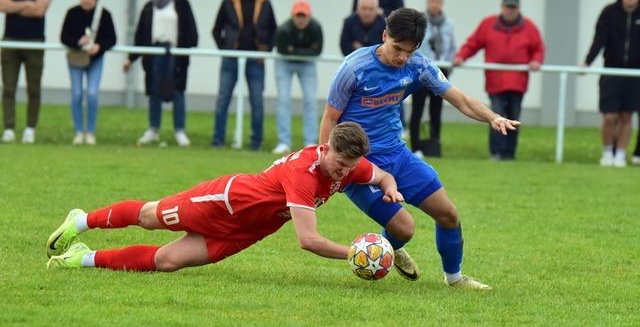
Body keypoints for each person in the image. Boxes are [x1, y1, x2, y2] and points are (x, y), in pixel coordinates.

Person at [320, 8, 521, 290]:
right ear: (384, 35)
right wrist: (327, 163)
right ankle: (390, 246)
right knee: (405, 228)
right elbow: (330, 117)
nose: (402, 57)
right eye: (397, 48)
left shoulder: (418, 66)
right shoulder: (355, 67)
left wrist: (493, 117)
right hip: (358, 163)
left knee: (448, 214)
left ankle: (454, 279)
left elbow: (459, 99)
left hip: (398, 156)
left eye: (409, 51)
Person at [46, 122, 404, 272]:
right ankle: (81, 220)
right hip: (224, 203)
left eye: (349, 166)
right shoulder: (303, 175)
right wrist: (357, 254)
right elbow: (307, 240)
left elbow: (381, 174)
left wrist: (389, 186)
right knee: (150, 217)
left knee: (167, 262)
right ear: (326, 149)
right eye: (340, 164)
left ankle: (82, 258)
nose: (344, 172)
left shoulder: (349, 165)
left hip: (247, 230)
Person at [453, 0, 545, 161]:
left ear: (518, 8)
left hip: (518, 83)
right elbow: (473, 43)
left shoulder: (529, 28)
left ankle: (509, 153)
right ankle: (496, 152)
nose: (510, 10)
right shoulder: (488, 24)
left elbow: (538, 48)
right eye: (507, 6)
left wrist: (536, 60)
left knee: (514, 116)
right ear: (502, 7)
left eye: (513, 7)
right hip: (495, 82)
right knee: (496, 115)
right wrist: (461, 56)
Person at [123, 0, 198, 147]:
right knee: (154, 91)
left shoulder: (180, 2)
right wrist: (131, 58)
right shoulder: (150, 6)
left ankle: (180, 130)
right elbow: (140, 34)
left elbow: (190, 28)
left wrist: (185, 49)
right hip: (154, 53)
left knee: (177, 91)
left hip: (175, 54)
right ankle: (153, 128)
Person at [212, 0, 277, 151]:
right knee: (223, 98)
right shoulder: (228, 1)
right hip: (231, 58)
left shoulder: (265, 2)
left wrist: (266, 50)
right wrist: (224, 49)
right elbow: (217, 28)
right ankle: (218, 139)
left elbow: (274, 30)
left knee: (257, 100)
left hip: (256, 60)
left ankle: (256, 142)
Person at [581, 0, 640, 167]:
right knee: (610, 116)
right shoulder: (609, 12)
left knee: (626, 116)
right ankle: (607, 152)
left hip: (635, 74)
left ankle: (621, 154)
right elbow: (599, 39)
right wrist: (587, 62)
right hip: (612, 71)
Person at [0, 0, 51, 144]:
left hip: (34, 42)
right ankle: (9, 128)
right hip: (10, 41)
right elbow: (2, 5)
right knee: (9, 87)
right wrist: (27, 4)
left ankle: (30, 128)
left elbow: (39, 11)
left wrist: (15, 6)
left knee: (34, 88)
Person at [60, 0, 116, 145]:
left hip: (95, 59)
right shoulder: (72, 13)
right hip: (76, 58)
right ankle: (78, 131)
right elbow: (64, 37)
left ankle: (90, 131)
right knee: (76, 94)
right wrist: (79, 42)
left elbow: (112, 38)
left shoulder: (104, 14)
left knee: (92, 93)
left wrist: (99, 47)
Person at [272, 0, 323, 155]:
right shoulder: (283, 29)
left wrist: (294, 49)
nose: (301, 19)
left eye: (304, 16)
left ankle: (310, 141)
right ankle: (284, 141)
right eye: (298, 16)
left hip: (307, 64)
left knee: (310, 100)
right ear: (293, 16)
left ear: (309, 16)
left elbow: (316, 51)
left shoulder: (315, 27)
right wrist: (303, 50)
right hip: (284, 63)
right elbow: (283, 50)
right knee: (283, 100)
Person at [410, 0, 457, 158]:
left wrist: (448, 66)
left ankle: (434, 144)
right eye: (431, 1)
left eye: (437, 1)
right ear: (427, 2)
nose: (434, 4)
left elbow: (452, 47)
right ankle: (415, 147)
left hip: (440, 69)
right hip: (422, 70)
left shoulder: (448, 24)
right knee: (417, 109)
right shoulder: (421, 22)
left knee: (436, 111)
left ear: (441, 3)